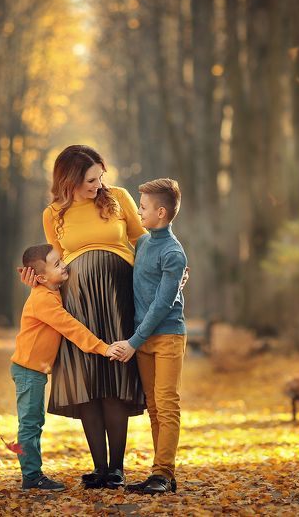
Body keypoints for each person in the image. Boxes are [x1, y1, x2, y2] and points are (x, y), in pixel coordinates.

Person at [19, 145, 147, 490]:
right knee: (87, 379)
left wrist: (170, 266)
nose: (98, 184)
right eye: (91, 179)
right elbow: (54, 264)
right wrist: (39, 282)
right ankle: (100, 467)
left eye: (100, 176)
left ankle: (117, 468)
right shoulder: (53, 214)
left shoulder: (118, 198)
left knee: (116, 374)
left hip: (119, 298)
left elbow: (143, 241)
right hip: (78, 303)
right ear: (71, 180)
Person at [10, 243, 122, 491]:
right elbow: (71, 328)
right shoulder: (43, 300)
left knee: (34, 421)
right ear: (40, 277)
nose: (65, 265)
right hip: (29, 371)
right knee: (30, 424)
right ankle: (31, 476)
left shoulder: (50, 291)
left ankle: (32, 473)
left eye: (62, 261)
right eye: (57, 264)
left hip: (34, 370)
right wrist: (103, 347)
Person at [112, 178, 188, 495]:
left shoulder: (173, 253)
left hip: (167, 335)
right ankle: (161, 474)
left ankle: (163, 472)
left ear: (160, 212)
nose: (138, 212)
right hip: (142, 339)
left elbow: (160, 305)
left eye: (142, 207)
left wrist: (133, 341)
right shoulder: (143, 244)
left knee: (167, 405)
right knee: (154, 407)